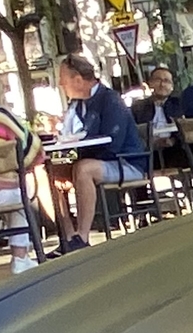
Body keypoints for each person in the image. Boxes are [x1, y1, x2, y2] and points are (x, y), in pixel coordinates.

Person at [55, 52, 143, 250]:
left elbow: (113, 144)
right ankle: (70, 236)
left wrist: (79, 146)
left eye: (63, 79)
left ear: (78, 80)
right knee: (50, 174)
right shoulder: (77, 105)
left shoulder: (110, 100)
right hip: (94, 160)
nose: (61, 84)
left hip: (127, 162)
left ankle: (83, 237)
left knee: (84, 169)